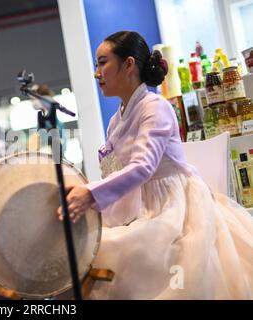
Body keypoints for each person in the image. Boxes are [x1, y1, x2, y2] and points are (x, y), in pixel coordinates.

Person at [57, 31, 253, 299]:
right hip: (135, 206)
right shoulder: (116, 119)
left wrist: (91, 194)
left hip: (171, 207)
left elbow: (143, 167)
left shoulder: (155, 107)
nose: (96, 72)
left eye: (103, 63)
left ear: (128, 64)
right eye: (96, 64)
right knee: (85, 246)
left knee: (117, 250)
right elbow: (118, 170)